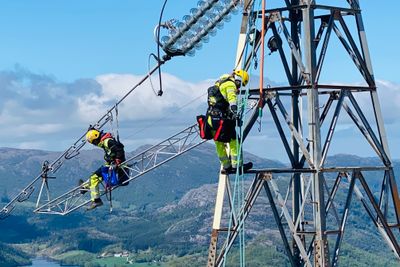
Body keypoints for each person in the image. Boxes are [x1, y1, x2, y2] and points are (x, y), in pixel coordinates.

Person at [206, 69, 253, 174]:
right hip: (221, 120)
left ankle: (227, 166)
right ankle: (237, 166)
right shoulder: (230, 85)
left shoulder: (217, 85)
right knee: (234, 140)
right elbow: (232, 100)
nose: (238, 88)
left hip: (211, 120)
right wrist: (235, 113)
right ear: (238, 80)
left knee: (219, 143)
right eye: (240, 85)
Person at [79, 128, 129, 210]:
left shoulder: (107, 141)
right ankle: (85, 187)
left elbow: (119, 148)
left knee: (94, 177)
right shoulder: (105, 141)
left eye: (94, 142)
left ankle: (96, 200)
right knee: (95, 177)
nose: (95, 144)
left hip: (114, 166)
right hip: (112, 165)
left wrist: (118, 160)